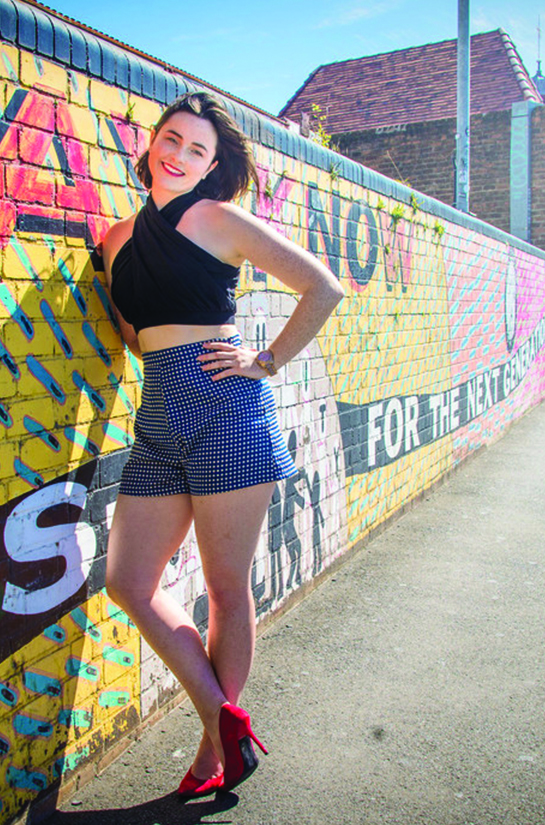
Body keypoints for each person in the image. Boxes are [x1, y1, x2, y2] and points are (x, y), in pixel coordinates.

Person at [101, 92, 344, 799]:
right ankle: (226, 720)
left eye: (196, 149)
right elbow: (132, 333)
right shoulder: (114, 241)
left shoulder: (217, 218)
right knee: (128, 581)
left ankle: (214, 750)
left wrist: (264, 360)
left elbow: (323, 289)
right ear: (152, 143)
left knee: (225, 588)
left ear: (211, 166)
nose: (178, 155)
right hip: (159, 415)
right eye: (170, 139)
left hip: (227, 410)